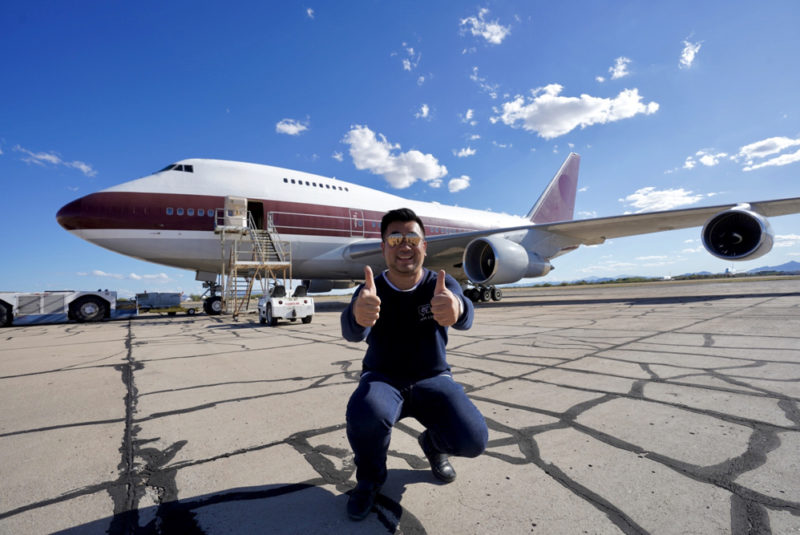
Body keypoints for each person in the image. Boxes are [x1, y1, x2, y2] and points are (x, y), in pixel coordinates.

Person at [341, 207, 488, 521]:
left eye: (412, 238)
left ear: (424, 246)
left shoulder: (441, 285)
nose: (403, 245)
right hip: (383, 378)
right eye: (394, 238)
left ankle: (433, 445)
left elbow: (465, 314)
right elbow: (352, 329)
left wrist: (457, 309)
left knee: (474, 439)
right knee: (366, 412)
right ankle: (369, 479)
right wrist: (357, 314)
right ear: (383, 247)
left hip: (432, 377)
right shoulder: (371, 289)